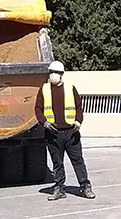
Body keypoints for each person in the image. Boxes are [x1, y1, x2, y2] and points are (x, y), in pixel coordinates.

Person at [35, 60, 93, 201]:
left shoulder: (70, 88)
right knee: (57, 162)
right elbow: (38, 108)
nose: (53, 75)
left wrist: (78, 122)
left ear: (61, 74)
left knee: (78, 161)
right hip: (53, 133)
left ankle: (85, 187)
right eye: (51, 72)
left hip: (71, 133)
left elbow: (79, 107)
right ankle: (59, 189)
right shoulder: (44, 89)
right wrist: (44, 123)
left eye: (56, 73)